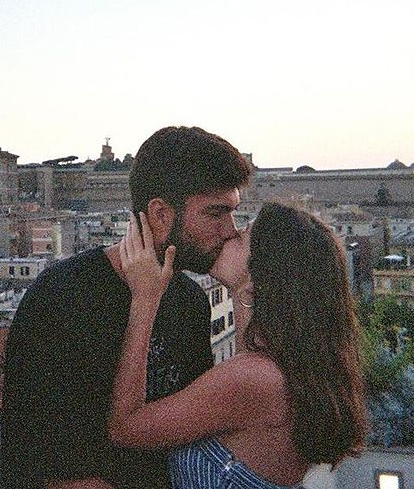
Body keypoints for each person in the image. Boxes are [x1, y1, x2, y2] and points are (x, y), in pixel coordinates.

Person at [1, 127, 253, 489]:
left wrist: (241, 289)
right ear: (161, 215)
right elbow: (48, 472)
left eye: (233, 213)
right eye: (216, 213)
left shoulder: (189, 301)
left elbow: (216, 422)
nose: (231, 231)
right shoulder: (63, 297)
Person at [109, 202, 367, 489]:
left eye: (242, 236)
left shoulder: (253, 379)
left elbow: (126, 428)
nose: (230, 233)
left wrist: (145, 299)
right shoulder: (289, 370)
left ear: (263, 274)